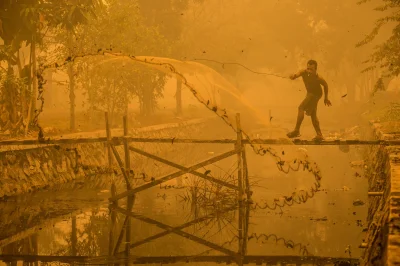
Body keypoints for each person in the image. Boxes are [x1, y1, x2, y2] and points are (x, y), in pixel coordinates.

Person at [286, 60, 332, 141]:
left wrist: (326, 98)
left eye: (311, 69)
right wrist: (293, 76)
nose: (309, 71)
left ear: (315, 70)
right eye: (308, 69)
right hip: (309, 93)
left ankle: (296, 130)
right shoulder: (303, 72)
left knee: (301, 108)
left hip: (316, 94)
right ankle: (319, 135)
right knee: (313, 114)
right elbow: (296, 74)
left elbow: (325, 85)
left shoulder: (318, 78)